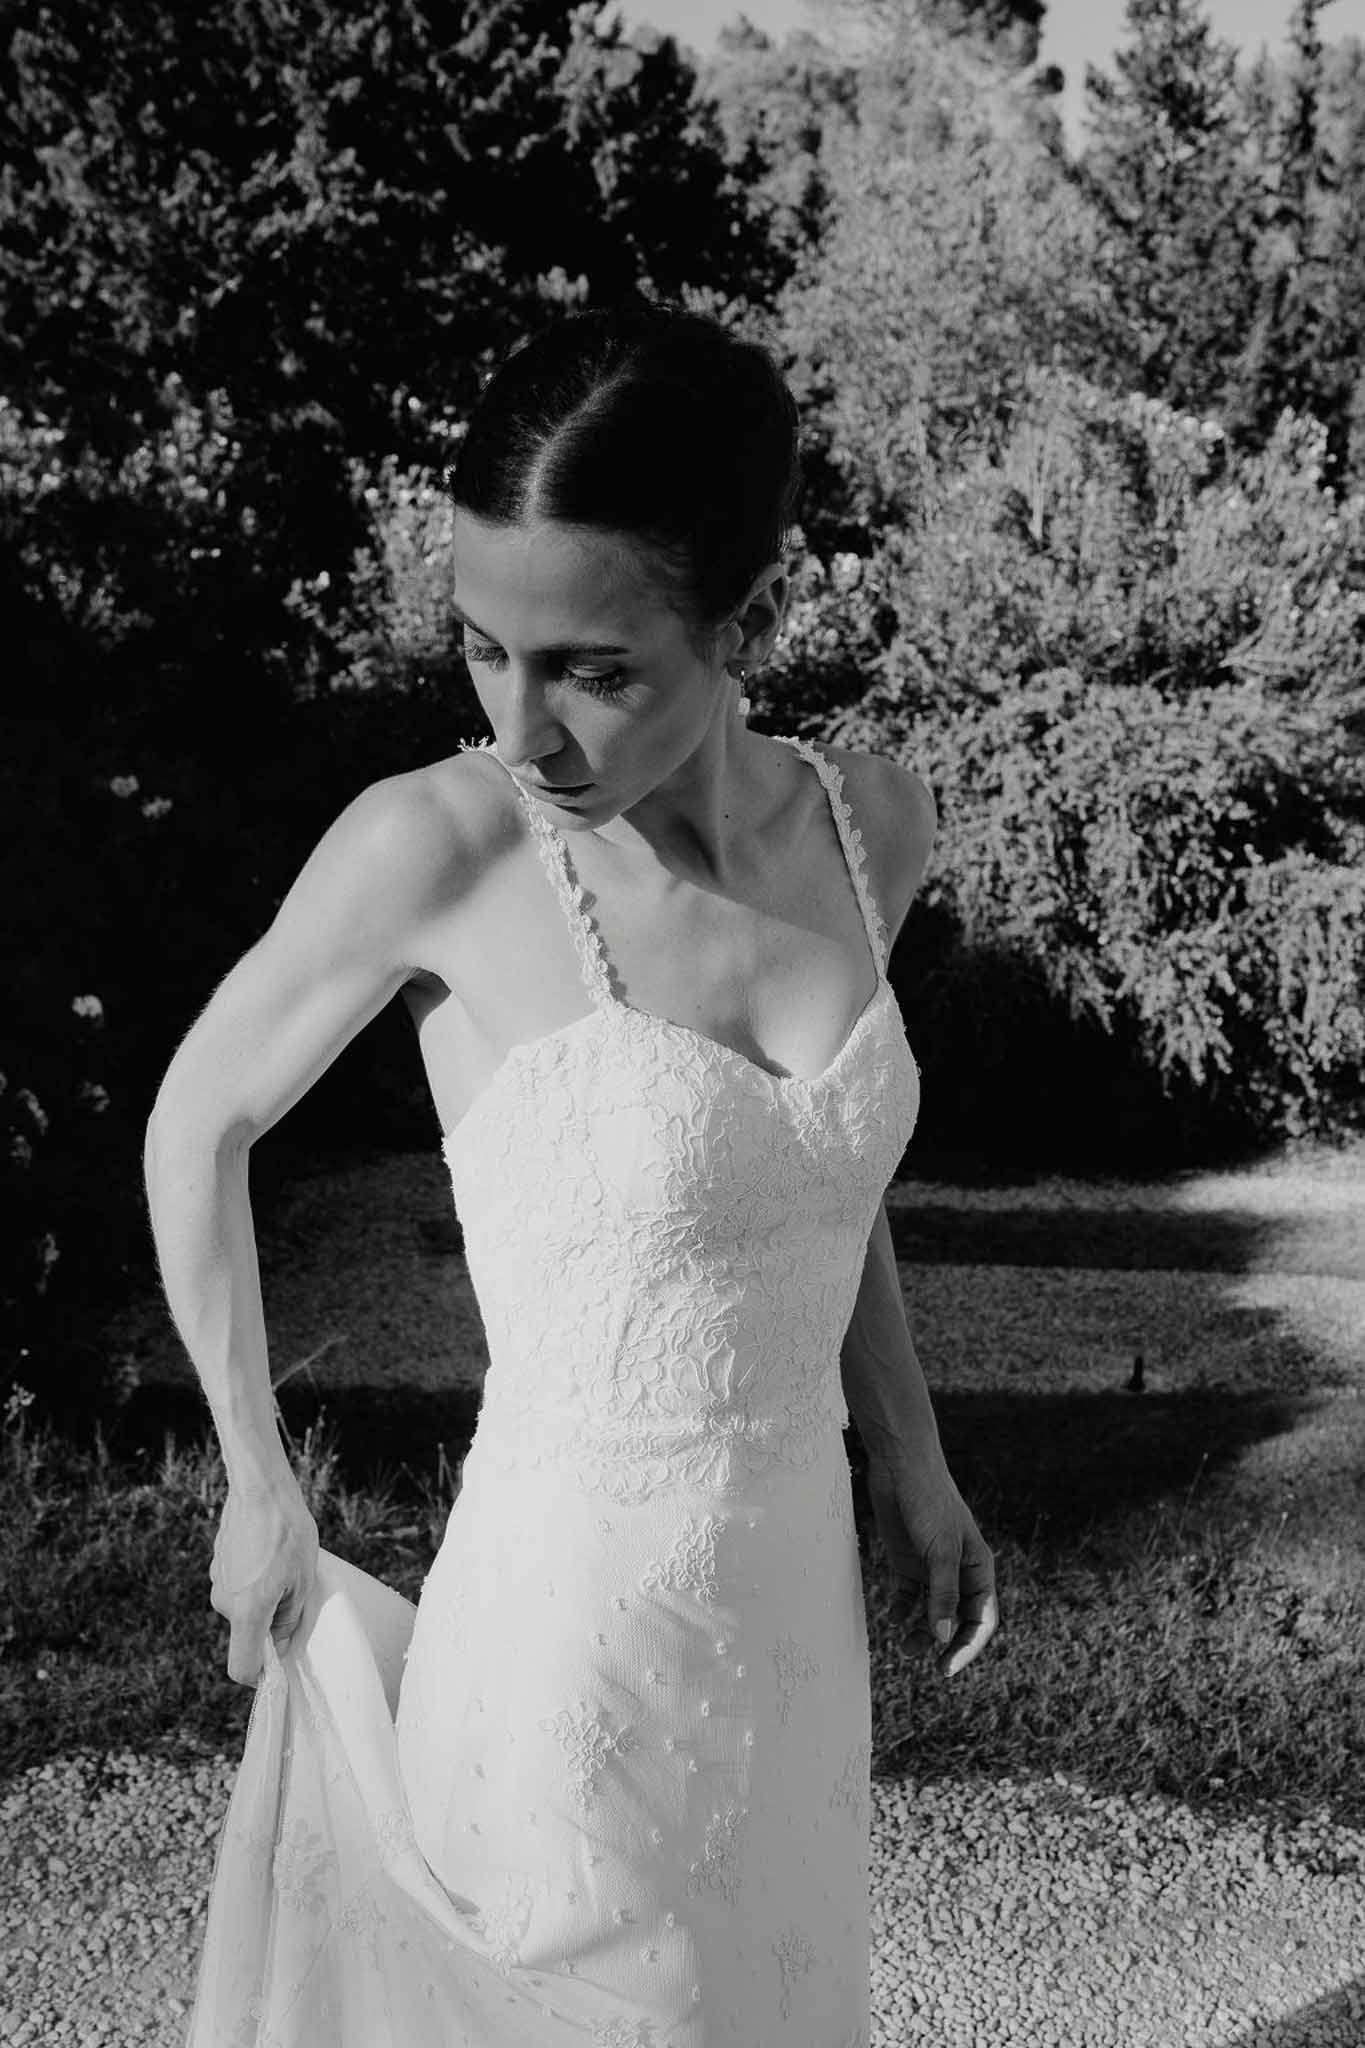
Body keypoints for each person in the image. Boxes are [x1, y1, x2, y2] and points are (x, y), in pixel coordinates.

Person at [145, 300, 998, 2048]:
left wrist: (913, 1462)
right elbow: (195, 1124)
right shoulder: (440, 843)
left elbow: (810, 1193)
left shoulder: (871, 827)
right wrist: (255, 1480)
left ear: (747, 618)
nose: (521, 727)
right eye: (483, 650)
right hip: (566, 1637)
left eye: (593, 672)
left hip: (789, 1611)